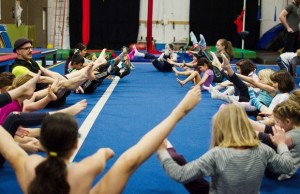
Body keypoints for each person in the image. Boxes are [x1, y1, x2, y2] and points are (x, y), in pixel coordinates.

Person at [0, 86, 201, 194]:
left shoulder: (29, 166)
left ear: (43, 142)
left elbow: (9, 146)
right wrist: (178, 112)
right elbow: (132, 158)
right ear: (75, 145)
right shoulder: (87, 169)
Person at [157, 104, 294, 194]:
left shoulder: (218, 154)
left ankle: (171, 152)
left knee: (184, 169)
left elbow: (180, 175)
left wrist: (162, 152)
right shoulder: (263, 149)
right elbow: (287, 167)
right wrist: (281, 144)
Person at [250, 100, 300, 181]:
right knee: (272, 130)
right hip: (280, 161)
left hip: (278, 172)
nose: (275, 123)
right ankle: (243, 121)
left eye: (277, 121)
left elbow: (269, 140)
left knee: (262, 140)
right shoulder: (294, 127)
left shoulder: (293, 136)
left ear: (287, 122)